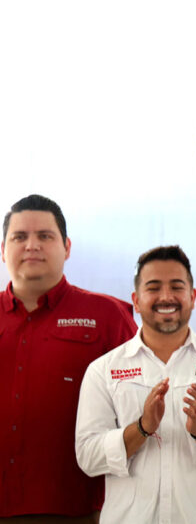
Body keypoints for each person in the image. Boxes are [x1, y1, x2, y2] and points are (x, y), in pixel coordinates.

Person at [75, 246, 196, 524]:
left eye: (177, 287)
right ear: (136, 301)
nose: (166, 297)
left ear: (193, 297)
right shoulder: (103, 370)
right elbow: (88, 457)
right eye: (154, 287)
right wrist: (142, 428)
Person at [0, 194, 137, 523]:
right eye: (20, 237)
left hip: (83, 510)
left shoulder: (108, 316)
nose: (32, 246)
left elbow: (141, 407)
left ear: (67, 247)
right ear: (3, 250)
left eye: (45, 236)